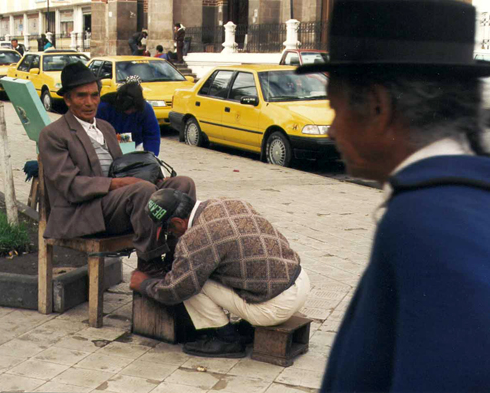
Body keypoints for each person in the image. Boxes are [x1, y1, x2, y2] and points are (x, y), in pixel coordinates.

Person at [295, 0, 490, 391]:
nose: (332, 131)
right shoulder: (458, 196)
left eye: (335, 108)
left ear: (379, 106)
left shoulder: (428, 219)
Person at [38, 62, 196, 270]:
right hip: (85, 210)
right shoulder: (54, 134)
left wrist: (153, 180)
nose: (89, 102)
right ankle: (151, 264)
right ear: (67, 99)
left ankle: (180, 256)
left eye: (94, 95)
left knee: (182, 184)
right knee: (142, 191)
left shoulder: (105, 128)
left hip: (117, 205)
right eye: (81, 96)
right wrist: (116, 184)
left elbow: (123, 168)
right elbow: (70, 186)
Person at [130, 189, 310, 358]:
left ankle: (227, 339)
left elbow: (176, 290)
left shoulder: (196, 238)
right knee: (215, 267)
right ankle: (245, 327)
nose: (172, 235)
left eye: (169, 231)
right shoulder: (225, 202)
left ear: (178, 222)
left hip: (276, 306)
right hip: (299, 281)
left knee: (191, 282)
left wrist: (144, 284)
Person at [97, 76, 161, 155]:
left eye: (133, 110)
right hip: (106, 145)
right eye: (128, 109)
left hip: (131, 140)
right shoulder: (104, 107)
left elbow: (152, 135)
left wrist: (152, 155)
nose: (130, 112)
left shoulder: (145, 109)